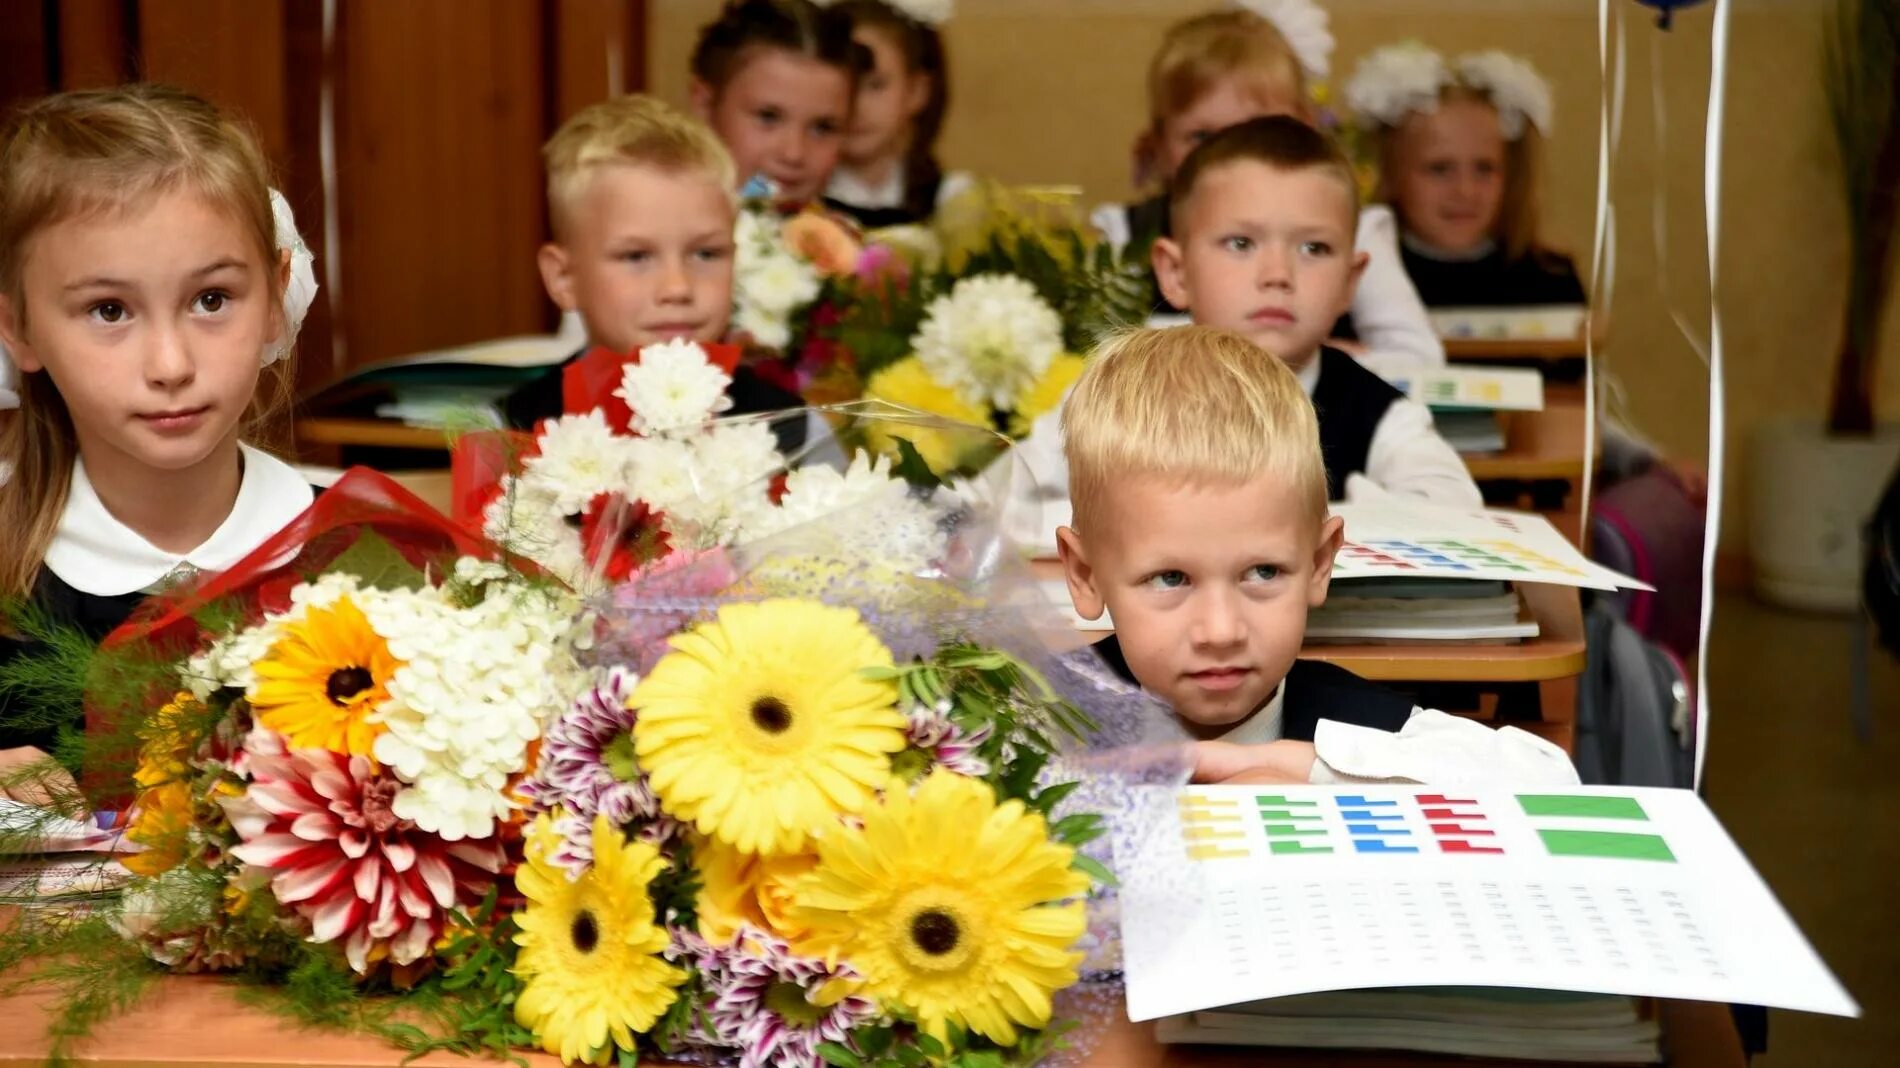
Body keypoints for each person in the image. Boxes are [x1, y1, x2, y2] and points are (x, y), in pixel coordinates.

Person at [1054, 326, 1575, 786]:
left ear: (1320, 562)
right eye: (1171, 578)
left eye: (1262, 572)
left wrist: (1308, 768)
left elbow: (1553, 781)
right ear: (1085, 574)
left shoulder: (1350, 727)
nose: (1221, 631)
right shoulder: (1034, 716)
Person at [0, 85, 320, 801]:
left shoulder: (369, 557)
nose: (171, 365)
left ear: (274, 296)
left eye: (212, 299)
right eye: (109, 310)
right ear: (19, 328)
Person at [1094, 3, 1444, 379]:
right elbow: (1095, 355)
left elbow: (1419, 359)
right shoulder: (1124, 232)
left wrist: (1309, 357)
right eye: (1201, 136)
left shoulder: (1356, 230)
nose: (1232, 152)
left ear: (1306, 129)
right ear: (1158, 146)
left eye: (1260, 130)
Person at [1152, 115, 1480, 508]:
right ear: (1176, 273)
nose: (1278, 275)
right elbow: (1058, 499)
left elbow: (1453, 505)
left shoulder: (1378, 413)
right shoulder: (1119, 396)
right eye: (1241, 243)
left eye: (1313, 249)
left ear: (1349, 282)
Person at [499, 94, 808, 450]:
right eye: (636, 256)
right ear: (564, 278)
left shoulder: (790, 428)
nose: (677, 288)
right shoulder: (512, 431)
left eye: (706, 253)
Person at [1345, 42, 1586, 308]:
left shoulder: (1550, 281)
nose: (1465, 191)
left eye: (1485, 169)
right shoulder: (1358, 281)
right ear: (1389, 175)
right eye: (1439, 169)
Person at [689, 0, 868, 213]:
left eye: (822, 128)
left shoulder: (864, 240)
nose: (794, 154)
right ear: (705, 105)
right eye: (768, 117)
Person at [822, 0, 972, 229]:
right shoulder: (787, 194)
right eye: (844, 85)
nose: (857, 106)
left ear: (916, 91)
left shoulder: (952, 199)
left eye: (876, 86)